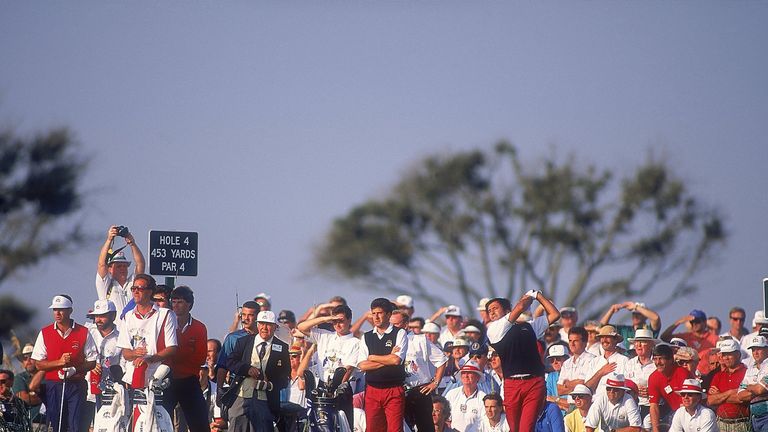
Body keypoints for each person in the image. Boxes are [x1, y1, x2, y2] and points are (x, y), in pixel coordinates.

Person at [486, 291, 560, 432]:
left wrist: (538, 295)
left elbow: (555, 314)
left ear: (507, 310)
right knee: (514, 428)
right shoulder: (493, 329)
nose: (492, 313)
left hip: (534, 383)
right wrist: (529, 297)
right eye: (489, 311)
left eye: (495, 308)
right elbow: (520, 307)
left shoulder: (529, 326)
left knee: (526, 428)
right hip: (512, 385)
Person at [31, 294, 98, 432]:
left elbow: (92, 361)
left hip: (76, 385)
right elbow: (38, 364)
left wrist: (75, 369)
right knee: (57, 424)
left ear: (70, 311)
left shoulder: (83, 332)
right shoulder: (45, 332)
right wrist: (59, 363)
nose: (57, 313)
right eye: (55, 309)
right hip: (54, 385)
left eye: (61, 309)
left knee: (76, 425)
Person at [225, 310, 290, 432]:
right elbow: (230, 362)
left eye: (269, 324)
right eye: (261, 324)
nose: (264, 328)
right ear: (257, 325)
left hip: (266, 400)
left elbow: (285, 376)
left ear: (275, 327)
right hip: (241, 395)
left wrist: (270, 384)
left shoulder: (282, 347)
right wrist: (247, 369)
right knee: (236, 425)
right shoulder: (244, 342)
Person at [296, 303, 359, 426]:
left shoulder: (355, 342)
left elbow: (348, 369)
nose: (337, 324)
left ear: (349, 320)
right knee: (319, 424)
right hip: (321, 386)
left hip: (341, 389)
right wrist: (326, 318)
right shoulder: (324, 336)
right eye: (334, 321)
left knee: (341, 424)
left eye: (341, 321)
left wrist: (335, 390)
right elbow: (301, 327)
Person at [390, 309, 448, 432]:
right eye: (391, 324)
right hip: (398, 391)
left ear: (405, 324)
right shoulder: (390, 341)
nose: (392, 327)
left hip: (420, 390)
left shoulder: (419, 340)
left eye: (396, 324)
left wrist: (435, 382)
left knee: (425, 428)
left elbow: (442, 360)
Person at [116, 274, 178, 389]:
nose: (135, 292)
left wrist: (148, 359)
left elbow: (172, 348)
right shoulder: (128, 316)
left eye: (140, 289)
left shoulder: (165, 315)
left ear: (150, 292)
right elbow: (125, 352)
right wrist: (135, 353)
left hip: (158, 376)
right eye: (133, 289)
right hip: (132, 377)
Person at [356, 297, 409, 432]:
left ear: (389, 315)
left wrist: (372, 357)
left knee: (394, 429)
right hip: (372, 389)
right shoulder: (367, 336)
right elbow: (362, 365)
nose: (376, 317)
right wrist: (388, 359)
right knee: (373, 429)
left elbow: (396, 360)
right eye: (374, 313)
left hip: (393, 389)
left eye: (379, 313)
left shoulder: (399, 333)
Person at [167, 286, 210, 432]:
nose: (176, 305)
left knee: (200, 422)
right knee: (161, 418)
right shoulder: (166, 325)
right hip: (168, 379)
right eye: (174, 302)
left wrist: (175, 354)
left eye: (180, 302)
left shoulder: (199, 327)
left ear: (189, 304)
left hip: (189, 380)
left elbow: (200, 357)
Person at [96, 225, 146, 321]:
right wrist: (109, 239)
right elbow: (102, 264)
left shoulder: (133, 282)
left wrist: (132, 243)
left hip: (132, 331)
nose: (123, 268)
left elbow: (141, 264)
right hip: (114, 332)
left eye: (125, 266)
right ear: (110, 268)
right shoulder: (106, 284)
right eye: (118, 266)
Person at [706, 339, 749, 431]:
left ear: (738, 354)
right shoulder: (718, 376)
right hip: (721, 424)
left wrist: (719, 395)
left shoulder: (747, 373)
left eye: (729, 354)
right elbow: (710, 400)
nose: (726, 358)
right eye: (724, 354)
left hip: (742, 423)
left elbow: (743, 398)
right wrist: (730, 392)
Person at [648, 344, 692, 432]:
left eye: (661, 358)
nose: (658, 362)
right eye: (655, 359)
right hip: (674, 412)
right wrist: (655, 429)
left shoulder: (682, 373)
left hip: (691, 411)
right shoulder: (653, 377)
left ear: (671, 360)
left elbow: (688, 404)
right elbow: (654, 406)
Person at [661, 310, 718, 375]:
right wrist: (679, 321)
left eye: (697, 321)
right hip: (687, 373)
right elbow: (664, 337)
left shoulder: (714, 339)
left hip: (707, 374)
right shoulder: (685, 336)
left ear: (704, 322)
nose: (694, 324)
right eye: (692, 322)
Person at [623, 328, 658, 423]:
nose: (638, 345)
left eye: (642, 342)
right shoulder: (629, 363)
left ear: (651, 344)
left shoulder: (657, 363)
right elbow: (624, 384)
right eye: (636, 342)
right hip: (631, 406)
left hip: (653, 407)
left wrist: (652, 392)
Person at [585, 325, 629, 395]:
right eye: (602, 337)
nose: (604, 340)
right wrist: (601, 372)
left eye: (608, 337)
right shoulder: (594, 361)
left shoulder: (624, 360)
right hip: (596, 402)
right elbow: (587, 387)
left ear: (615, 340)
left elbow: (627, 386)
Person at [444, 361, 487, 432]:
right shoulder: (451, 394)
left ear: (478, 377)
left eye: (470, 373)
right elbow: (445, 418)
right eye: (463, 373)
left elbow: (484, 423)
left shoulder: (483, 398)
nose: (466, 375)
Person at [736, 335, 768, 430]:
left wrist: (749, 387)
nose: (755, 353)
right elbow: (740, 395)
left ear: (766, 349)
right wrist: (759, 390)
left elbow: (760, 389)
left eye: (759, 349)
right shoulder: (750, 369)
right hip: (754, 418)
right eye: (753, 350)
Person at [558, 327, 597, 396]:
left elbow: (586, 385)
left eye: (575, 341)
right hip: (570, 404)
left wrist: (567, 384)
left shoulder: (592, 360)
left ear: (585, 343)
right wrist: (577, 384)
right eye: (570, 340)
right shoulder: (566, 363)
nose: (572, 344)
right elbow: (559, 390)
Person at [12, 344, 44, 424]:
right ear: (22, 362)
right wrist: (46, 397)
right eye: (25, 358)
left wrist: (33, 395)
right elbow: (23, 399)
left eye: (32, 357)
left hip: (52, 421)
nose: (28, 360)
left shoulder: (49, 375)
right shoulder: (19, 378)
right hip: (32, 423)